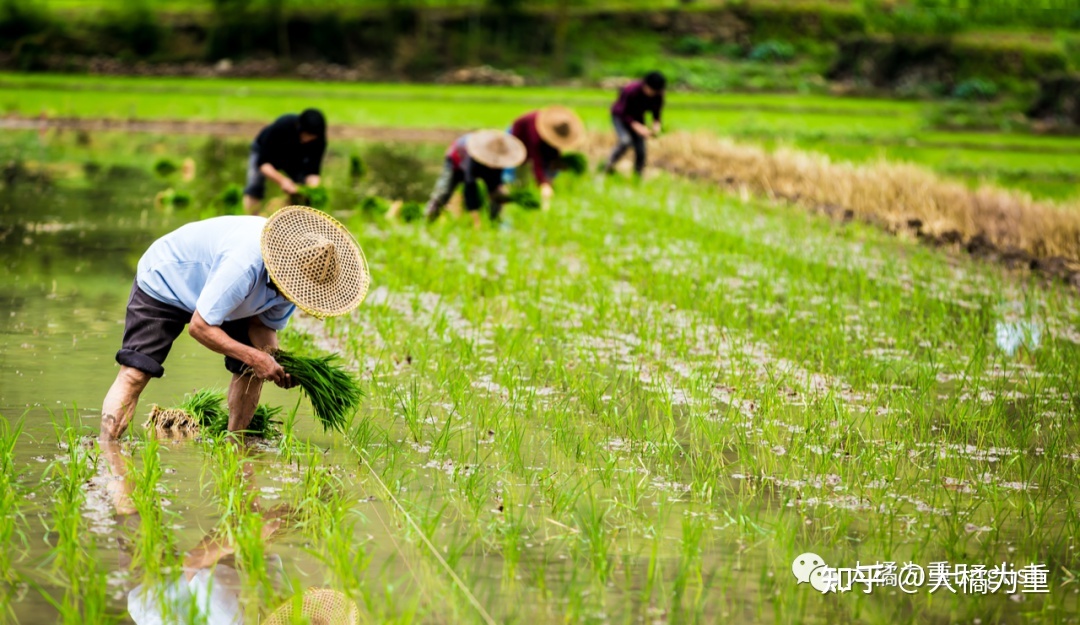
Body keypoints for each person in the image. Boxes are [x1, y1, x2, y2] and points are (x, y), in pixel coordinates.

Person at [99, 206, 370, 441]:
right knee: (135, 373)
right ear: (282, 267)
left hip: (226, 299)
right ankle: (106, 453)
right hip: (167, 280)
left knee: (253, 371)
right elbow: (200, 327)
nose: (293, 295)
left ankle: (235, 445)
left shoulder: (299, 283)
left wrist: (276, 361)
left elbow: (262, 327)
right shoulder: (244, 263)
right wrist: (254, 357)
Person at [425, 130, 527, 227]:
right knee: (444, 192)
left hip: (480, 164)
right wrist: (476, 219)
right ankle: (428, 220)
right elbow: (469, 187)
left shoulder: (499, 160)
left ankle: (495, 222)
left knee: (497, 194)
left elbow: (495, 183)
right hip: (456, 160)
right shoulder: (473, 157)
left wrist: (503, 196)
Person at [243, 109, 327, 214]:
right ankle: (253, 219)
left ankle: (288, 220)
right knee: (254, 187)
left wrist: (311, 189)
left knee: (301, 192)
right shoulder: (282, 126)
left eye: (312, 137)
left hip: (293, 156)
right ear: (299, 129)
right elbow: (263, 164)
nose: (308, 140)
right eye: (306, 136)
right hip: (266, 152)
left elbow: (313, 171)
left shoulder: (319, 139)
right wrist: (282, 180)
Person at [506, 106, 585, 211]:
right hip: (516, 138)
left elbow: (553, 152)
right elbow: (536, 159)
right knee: (514, 179)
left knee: (544, 174)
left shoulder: (553, 132)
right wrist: (543, 183)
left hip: (534, 145)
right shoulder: (535, 134)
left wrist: (553, 170)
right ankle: (513, 202)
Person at [604, 71, 666, 177]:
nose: (653, 94)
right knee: (625, 141)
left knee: (641, 149)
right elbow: (622, 112)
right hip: (620, 117)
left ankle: (638, 176)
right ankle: (607, 167)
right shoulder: (631, 90)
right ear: (645, 85)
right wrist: (637, 126)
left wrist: (656, 124)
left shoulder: (658, 95)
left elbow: (657, 113)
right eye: (651, 90)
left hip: (637, 118)